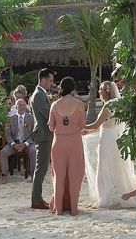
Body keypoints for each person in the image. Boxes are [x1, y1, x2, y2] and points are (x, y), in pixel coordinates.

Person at [82, 81, 136, 208]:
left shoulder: (108, 105)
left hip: (107, 139)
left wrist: (81, 126)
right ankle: (117, 191)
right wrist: (88, 131)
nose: (99, 91)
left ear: (106, 91)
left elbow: (97, 124)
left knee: (105, 166)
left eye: (101, 89)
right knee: (115, 166)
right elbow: (103, 125)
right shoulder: (116, 104)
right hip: (113, 137)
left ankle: (106, 195)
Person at [48, 76, 85, 215]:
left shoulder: (55, 105)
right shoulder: (79, 104)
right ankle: (74, 209)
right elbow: (82, 125)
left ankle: (59, 209)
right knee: (74, 177)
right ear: (73, 88)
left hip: (58, 143)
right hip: (74, 142)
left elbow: (51, 127)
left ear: (61, 88)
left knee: (58, 176)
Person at [29, 68, 55, 210]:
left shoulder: (41, 93)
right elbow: (48, 114)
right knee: (41, 168)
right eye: (50, 80)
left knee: (42, 167)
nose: (51, 84)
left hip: (45, 135)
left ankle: (37, 198)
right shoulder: (38, 95)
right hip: (43, 135)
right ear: (43, 79)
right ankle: (36, 199)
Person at [0, 99, 36, 183]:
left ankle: (33, 176)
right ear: (16, 107)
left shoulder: (31, 118)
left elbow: (33, 134)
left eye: (24, 105)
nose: (22, 107)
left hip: (27, 143)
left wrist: (25, 144)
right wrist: (13, 144)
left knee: (34, 151)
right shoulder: (10, 119)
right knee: (3, 152)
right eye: (20, 105)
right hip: (14, 143)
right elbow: (8, 135)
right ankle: (4, 175)